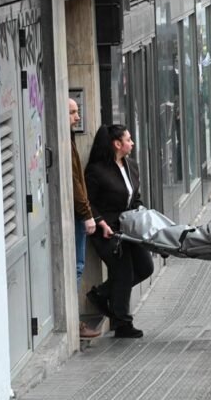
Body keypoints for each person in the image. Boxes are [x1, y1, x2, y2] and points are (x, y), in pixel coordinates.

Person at [84, 125, 154, 338]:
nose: (132, 143)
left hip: (129, 226)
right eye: (128, 139)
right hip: (106, 230)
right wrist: (100, 221)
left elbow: (135, 195)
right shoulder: (96, 170)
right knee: (122, 272)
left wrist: (141, 213)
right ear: (117, 144)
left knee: (145, 267)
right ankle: (122, 323)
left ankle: (101, 294)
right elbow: (88, 201)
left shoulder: (131, 165)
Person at [69, 98, 101, 339]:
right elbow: (75, 185)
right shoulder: (64, 143)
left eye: (77, 111)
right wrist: (87, 215)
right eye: (72, 113)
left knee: (77, 266)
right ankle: (72, 321)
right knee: (77, 267)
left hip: (77, 213)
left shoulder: (69, 141)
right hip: (76, 215)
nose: (78, 117)